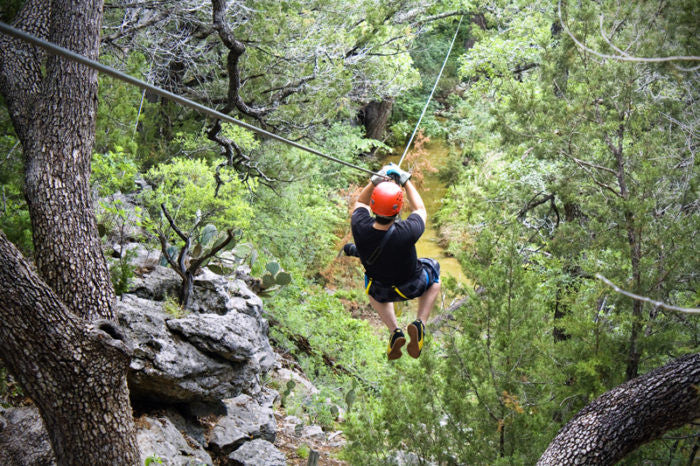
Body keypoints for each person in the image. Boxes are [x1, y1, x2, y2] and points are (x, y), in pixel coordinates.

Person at [344, 164, 440, 360]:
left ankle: (394, 330)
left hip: (381, 290)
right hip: (413, 286)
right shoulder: (407, 231)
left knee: (369, 284)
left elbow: (360, 203)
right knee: (434, 271)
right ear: (397, 210)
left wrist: (375, 180)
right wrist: (405, 181)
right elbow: (420, 209)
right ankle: (420, 322)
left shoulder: (359, 225)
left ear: (374, 206)